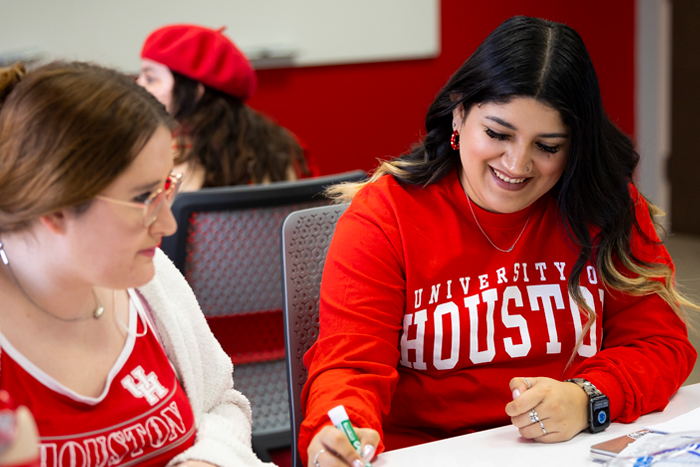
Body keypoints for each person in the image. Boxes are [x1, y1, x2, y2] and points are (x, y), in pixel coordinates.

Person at [299, 16, 698, 467]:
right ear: (459, 112)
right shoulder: (385, 214)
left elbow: (660, 345)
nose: (517, 163)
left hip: (569, 451)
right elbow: (351, 367)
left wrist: (587, 397)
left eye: (548, 147)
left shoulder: (604, 204)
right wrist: (339, 434)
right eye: (497, 133)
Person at [0, 61, 270, 467]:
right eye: (144, 198)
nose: (168, 222)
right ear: (54, 207)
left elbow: (220, 403)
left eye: (166, 188)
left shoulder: (151, 278)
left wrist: (209, 460)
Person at [136, 24, 313, 191]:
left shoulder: (170, 158)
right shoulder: (277, 145)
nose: (139, 85)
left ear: (195, 92)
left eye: (150, 79)